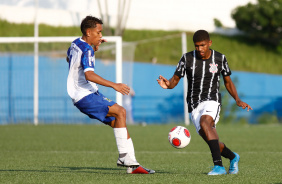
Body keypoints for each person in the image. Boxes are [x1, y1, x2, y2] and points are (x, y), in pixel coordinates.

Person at [66, 15, 154, 174]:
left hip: (85, 93)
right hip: (84, 94)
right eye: (98, 33)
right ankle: (124, 157)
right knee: (121, 111)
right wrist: (115, 85)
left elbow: (69, 59)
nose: (101, 36)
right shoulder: (87, 49)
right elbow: (89, 75)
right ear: (88, 32)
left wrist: (94, 48)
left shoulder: (76, 43)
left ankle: (132, 165)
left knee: (118, 122)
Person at [157, 30, 252, 175]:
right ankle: (233, 157)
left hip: (212, 100)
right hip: (194, 105)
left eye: (202, 45)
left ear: (209, 43)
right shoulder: (187, 58)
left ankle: (218, 167)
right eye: (197, 46)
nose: (200, 49)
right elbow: (174, 80)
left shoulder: (220, 58)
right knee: (210, 140)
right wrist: (167, 84)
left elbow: (228, 82)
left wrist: (237, 100)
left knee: (205, 122)